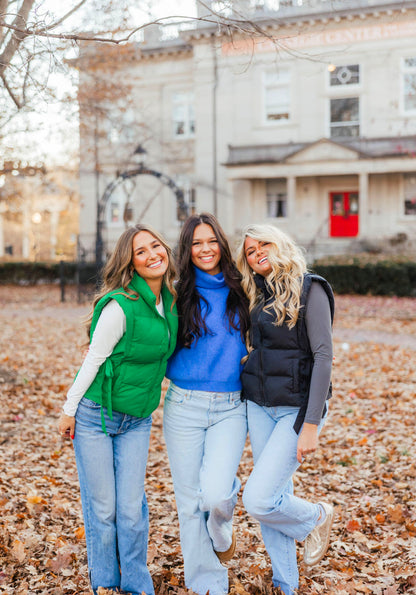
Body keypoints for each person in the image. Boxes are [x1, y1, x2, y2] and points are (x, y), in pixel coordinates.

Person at [58, 224, 178, 595]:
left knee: (131, 510)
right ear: (131, 262)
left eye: (155, 246)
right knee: (104, 509)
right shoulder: (119, 305)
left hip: (137, 420)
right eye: (141, 251)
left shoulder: (173, 302)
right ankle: (106, 585)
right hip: (95, 415)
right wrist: (68, 410)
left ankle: (137, 585)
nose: (152, 255)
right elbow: (92, 360)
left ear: (166, 250)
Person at [236, 224, 335, 595]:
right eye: (249, 250)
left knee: (259, 499)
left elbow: (324, 357)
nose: (257, 251)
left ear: (280, 244)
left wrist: (311, 424)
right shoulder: (255, 295)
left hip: (297, 408)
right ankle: (285, 586)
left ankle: (316, 517)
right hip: (260, 406)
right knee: (273, 497)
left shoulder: (312, 288)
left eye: (264, 243)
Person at [163, 213, 250, 595]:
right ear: (187, 249)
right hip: (183, 405)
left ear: (221, 244)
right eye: (197, 243)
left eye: (211, 241)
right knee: (188, 503)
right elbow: (142, 330)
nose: (205, 249)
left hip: (231, 407)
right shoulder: (174, 292)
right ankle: (208, 586)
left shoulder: (243, 289)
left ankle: (221, 529)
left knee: (214, 495)